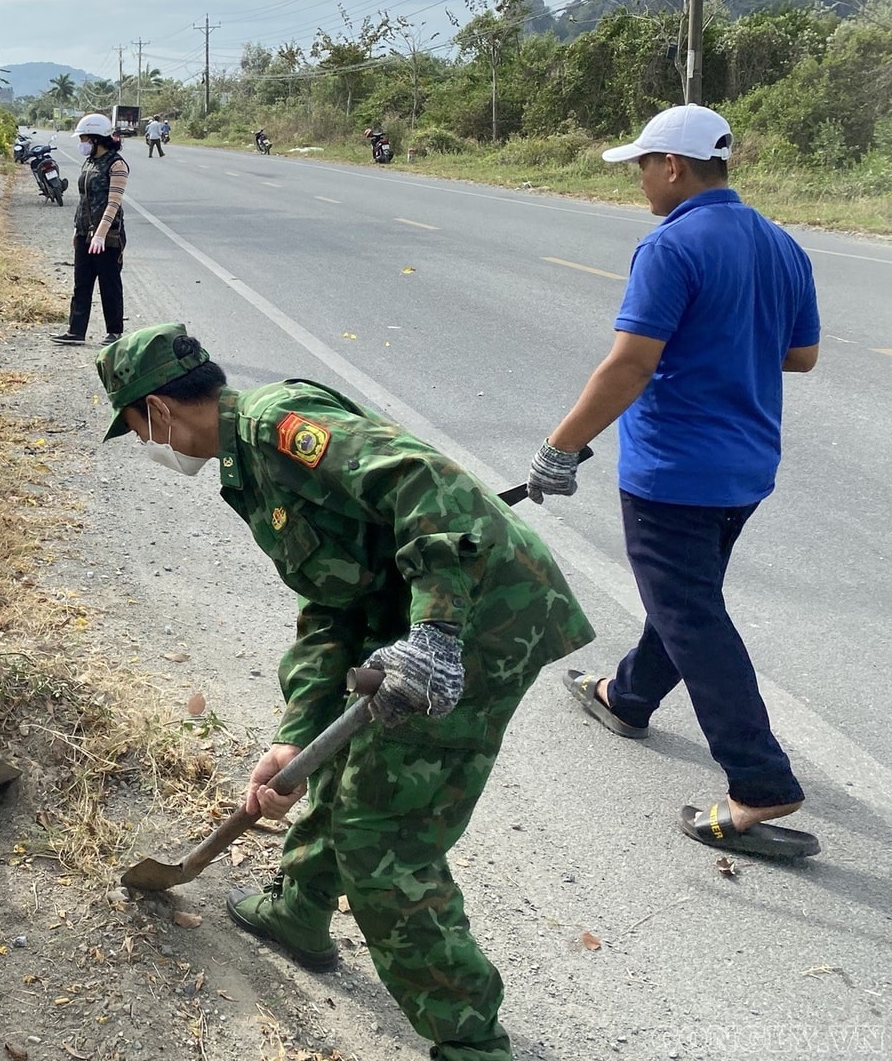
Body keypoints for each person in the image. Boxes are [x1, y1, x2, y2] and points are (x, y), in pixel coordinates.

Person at [97, 323, 592, 1061]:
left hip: (482, 623)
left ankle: (471, 1041)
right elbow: (332, 605)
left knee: (383, 838)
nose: (145, 445)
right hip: (422, 621)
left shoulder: (279, 428)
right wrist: (293, 734)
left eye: (137, 428)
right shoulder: (248, 470)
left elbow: (427, 483)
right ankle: (298, 908)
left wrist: (437, 633)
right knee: (344, 759)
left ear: (157, 409)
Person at [529, 104, 821, 860]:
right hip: (748, 466)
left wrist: (562, 447)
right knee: (685, 595)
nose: (639, 181)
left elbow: (631, 363)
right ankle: (626, 697)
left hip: (675, 473)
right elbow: (802, 355)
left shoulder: (670, 244)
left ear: (674, 166)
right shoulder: (781, 244)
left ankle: (758, 782)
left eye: (642, 166)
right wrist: (730, 340)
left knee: (691, 613)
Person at [53, 112, 129, 347]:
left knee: (109, 284)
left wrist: (101, 234)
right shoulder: (90, 162)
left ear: (96, 139)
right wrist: (78, 230)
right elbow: (83, 199)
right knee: (81, 283)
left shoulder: (117, 164)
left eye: (84, 139)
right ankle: (76, 331)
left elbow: (113, 203)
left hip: (109, 236)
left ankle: (114, 332)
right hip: (86, 233)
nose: (81, 144)